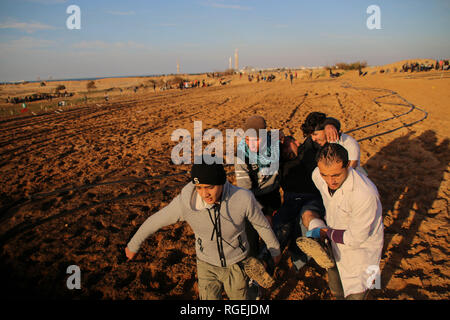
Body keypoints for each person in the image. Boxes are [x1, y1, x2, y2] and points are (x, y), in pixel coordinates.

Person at [125, 162, 281, 300]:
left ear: (221, 181)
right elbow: (156, 220)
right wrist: (133, 245)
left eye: (209, 187)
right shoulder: (185, 203)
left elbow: (261, 225)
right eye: (199, 187)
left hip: (237, 263)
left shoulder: (243, 198)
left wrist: (275, 250)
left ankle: (253, 289)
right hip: (206, 265)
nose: (204, 194)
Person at [296, 143, 383, 299]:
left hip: (362, 253)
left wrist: (323, 232)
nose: (330, 181)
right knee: (337, 292)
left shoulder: (364, 194)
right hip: (334, 244)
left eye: (336, 175)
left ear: (348, 165)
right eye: (325, 175)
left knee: (359, 293)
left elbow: (356, 238)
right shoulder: (317, 175)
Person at [271, 116, 340, 271]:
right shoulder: (280, 162)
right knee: (281, 223)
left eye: (287, 146)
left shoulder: (308, 149)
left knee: (308, 214)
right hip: (291, 199)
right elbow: (267, 146)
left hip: (311, 197)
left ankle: (320, 244)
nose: (285, 150)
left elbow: (326, 123)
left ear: (296, 142)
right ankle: (266, 262)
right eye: (283, 150)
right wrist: (277, 136)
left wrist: (330, 125)